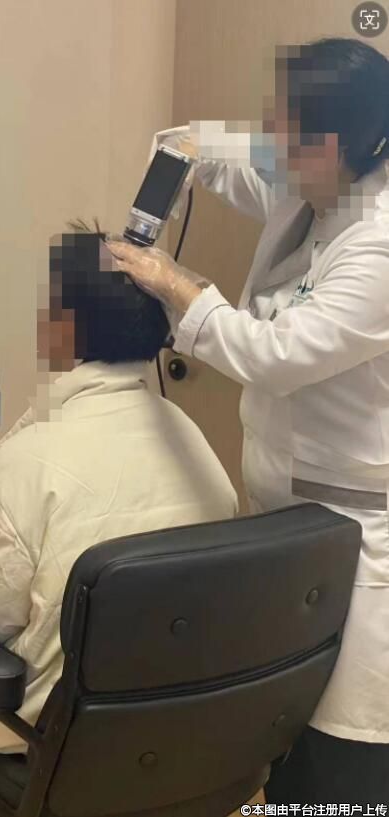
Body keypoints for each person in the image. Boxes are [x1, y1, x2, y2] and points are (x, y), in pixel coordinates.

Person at [0, 226, 237, 817]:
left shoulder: (31, 458)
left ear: (62, 327)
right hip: (174, 727)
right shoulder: (194, 440)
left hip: (61, 735)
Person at [107, 37, 389, 804]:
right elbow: (221, 157)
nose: (266, 141)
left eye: (280, 130)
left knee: (342, 757)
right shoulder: (315, 186)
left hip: (357, 536)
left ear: (328, 147)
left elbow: (274, 354)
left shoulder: (377, 243)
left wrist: (174, 283)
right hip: (283, 517)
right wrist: (185, 153)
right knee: (282, 730)